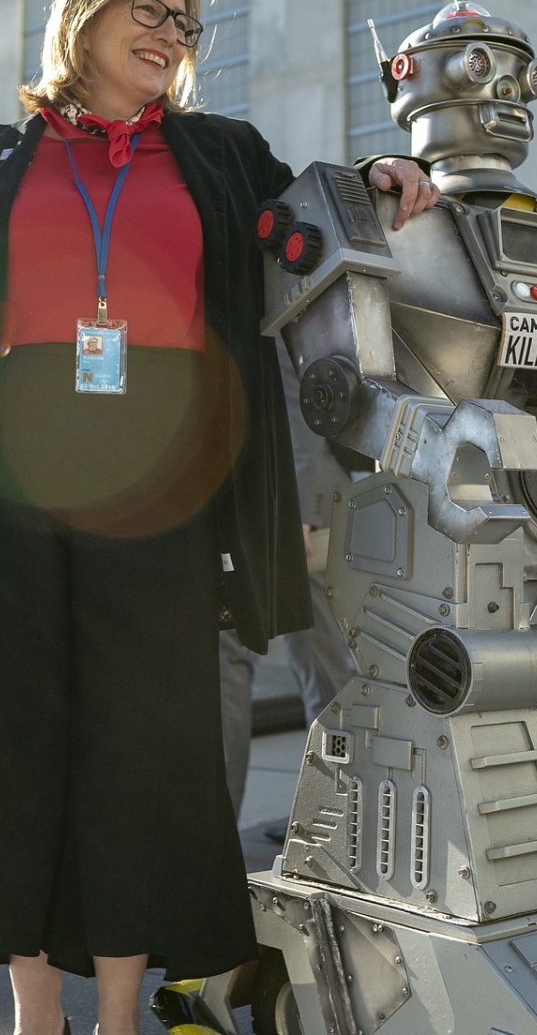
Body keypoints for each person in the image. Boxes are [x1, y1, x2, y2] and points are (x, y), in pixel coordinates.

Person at [0, 0, 439, 1033]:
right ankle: (38, 1013)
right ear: (86, 12)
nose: (173, 34)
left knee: (144, 749)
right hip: (6, 487)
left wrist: (378, 173)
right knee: (14, 750)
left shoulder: (219, 155)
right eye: (150, 9)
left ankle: (121, 1012)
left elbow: (304, 218)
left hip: (163, 485)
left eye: (185, 22)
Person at [218, 351, 360, 825]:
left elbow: (303, 404)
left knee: (322, 674)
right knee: (323, 672)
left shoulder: (265, 298)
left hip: (290, 515)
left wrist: (295, 510)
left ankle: (345, 821)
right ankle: (344, 822)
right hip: (285, 508)